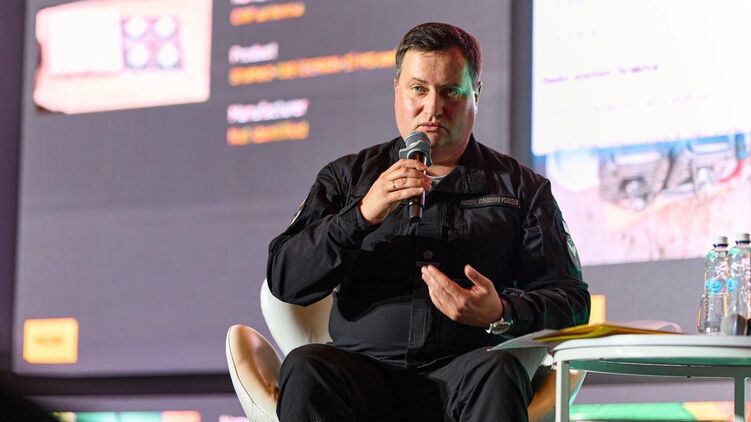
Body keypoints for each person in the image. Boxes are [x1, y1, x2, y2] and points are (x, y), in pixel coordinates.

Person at [266, 22, 590, 422]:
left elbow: (572, 302)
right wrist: (361, 215)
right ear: (397, 90)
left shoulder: (522, 189)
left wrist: (501, 311)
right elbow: (286, 279)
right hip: (362, 374)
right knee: (307, 367)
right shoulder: (347, 178)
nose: (433, 108)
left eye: (450, 91)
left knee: (498, 371)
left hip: (467, 375)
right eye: (418, 89)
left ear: (476, 94)